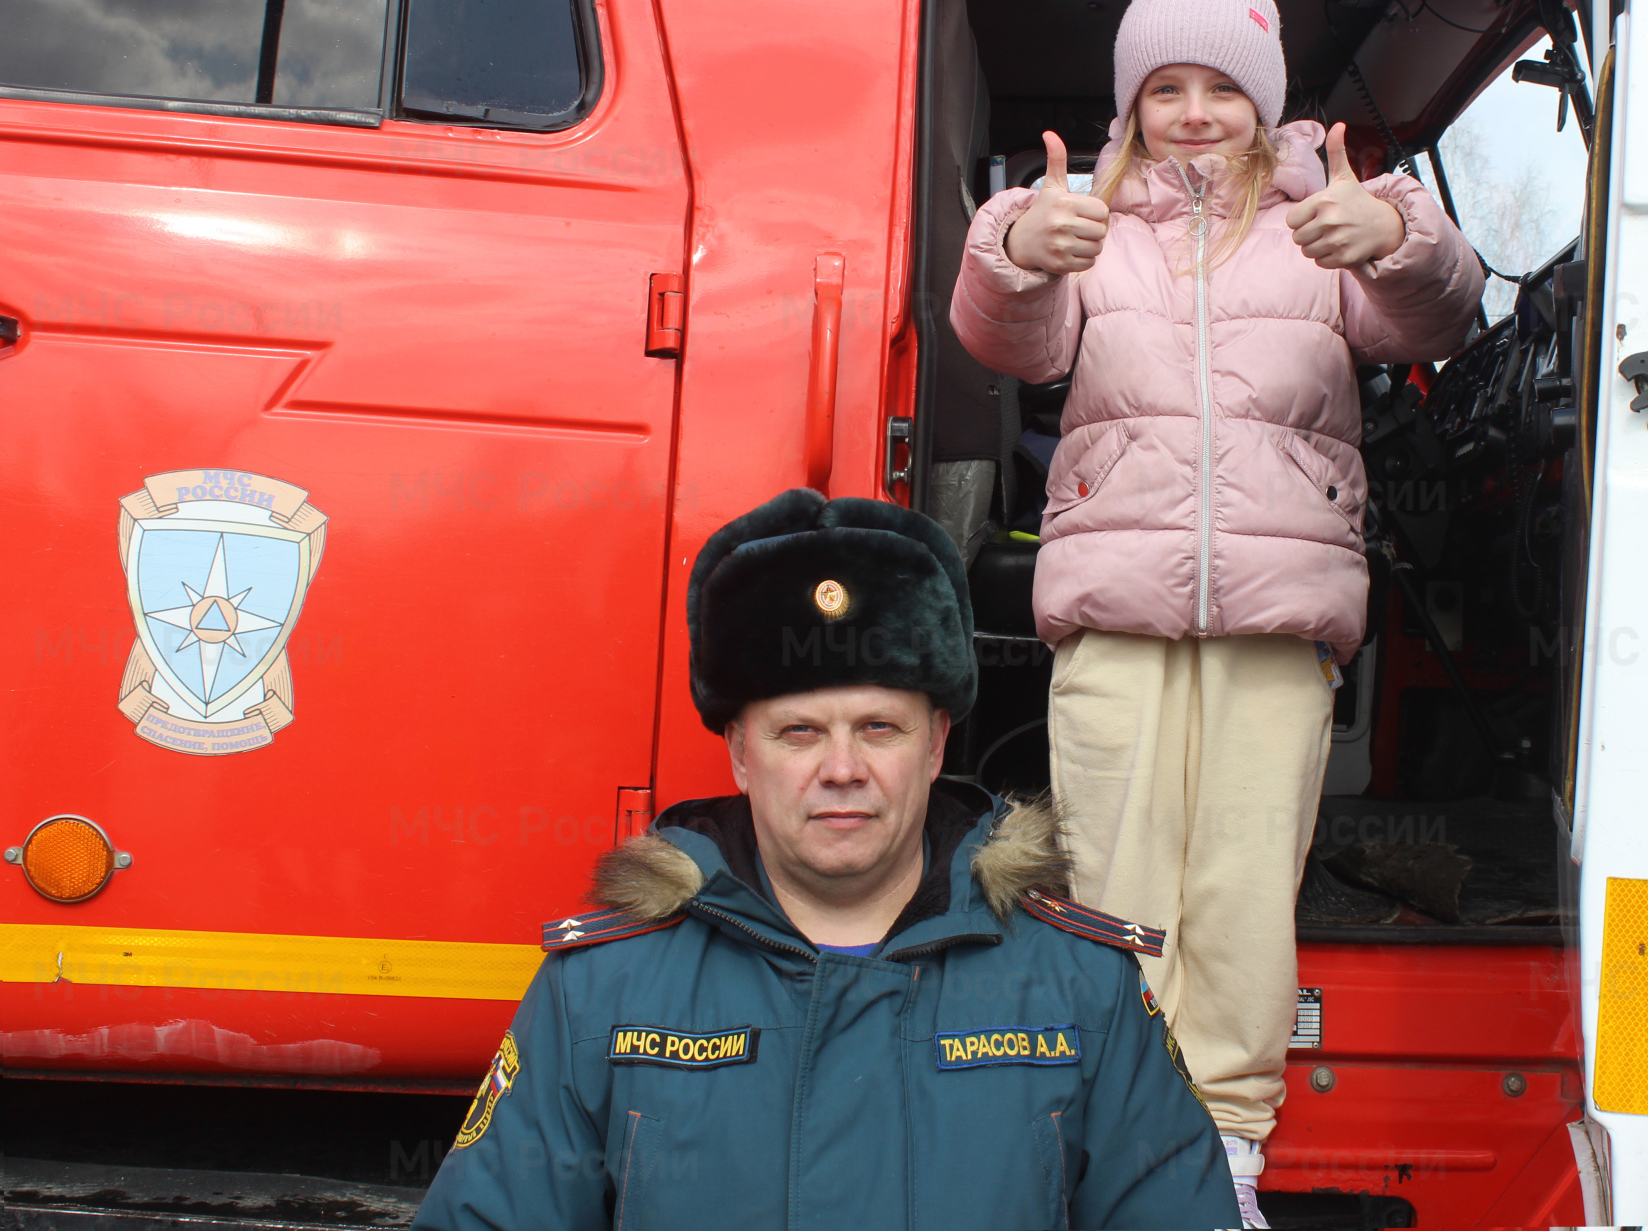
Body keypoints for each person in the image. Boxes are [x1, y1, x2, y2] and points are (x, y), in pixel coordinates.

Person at [949, 0, 1483, 1228]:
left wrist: (1402, 243)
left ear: (1263, 102)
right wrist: (1018, 249)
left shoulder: (1323, 226)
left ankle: (1227, 1154)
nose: (1194, 112)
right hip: (1117, 607)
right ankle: (1116, 1142)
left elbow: (1436, 321)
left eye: (1221, 88)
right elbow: (1004, 338)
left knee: (1242, 882)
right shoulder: (1087, 228)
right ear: (1129, 106)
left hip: (1274, 616)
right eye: (1164, 88)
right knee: (1117, 883)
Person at [413, 489, 1240, 1231]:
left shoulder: (1079, 985)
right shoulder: (600, 989)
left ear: (935, 743)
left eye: (878, 727)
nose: (841, 768)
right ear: (740, 752)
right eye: (798, 732)